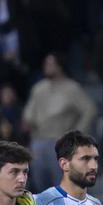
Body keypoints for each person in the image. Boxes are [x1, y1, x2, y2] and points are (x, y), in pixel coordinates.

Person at [21, 55, 98, 191]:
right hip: (38, 141)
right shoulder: (39, 88)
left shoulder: (72, 88)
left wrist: (77, 135)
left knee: (63, 185)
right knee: (40, 186)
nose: (46, 67)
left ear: (59, 67)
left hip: (59, 141)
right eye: (46, 64)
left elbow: (89, 109)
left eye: (50, 64)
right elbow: (29, 113)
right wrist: (27, 122)